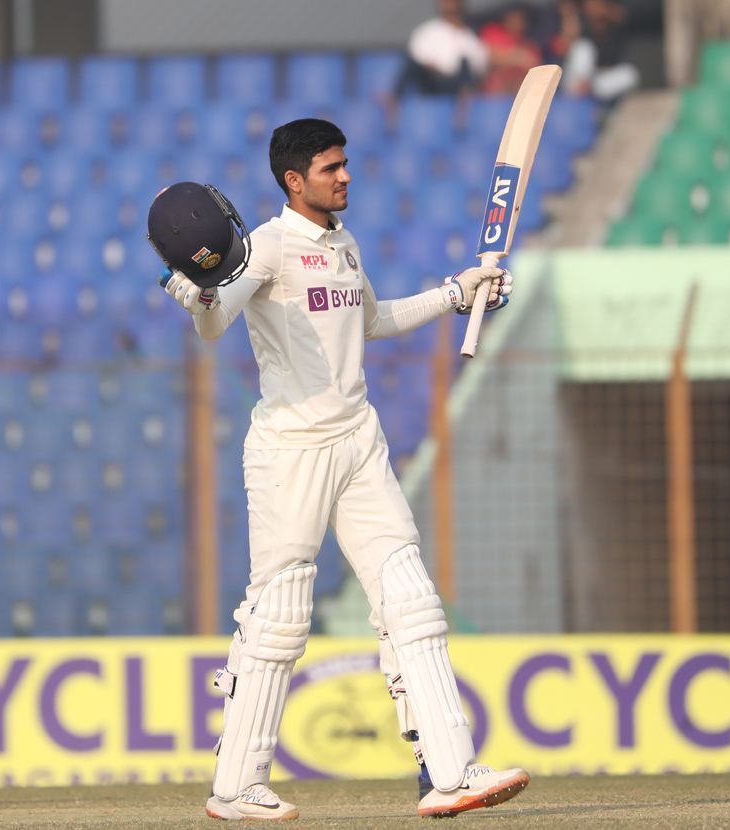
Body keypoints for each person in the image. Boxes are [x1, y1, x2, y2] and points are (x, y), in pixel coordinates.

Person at [156, 119, 528, 821]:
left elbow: (373, 320)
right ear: (295, 181)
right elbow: (216, 322)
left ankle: (450, 774)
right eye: (332, 168)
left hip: (359, 438)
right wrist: (201, 293)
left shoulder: (343, 245)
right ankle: (237, 787)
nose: (345, 176)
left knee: (409, 597)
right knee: (279, 617)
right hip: (292, 448)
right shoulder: (266, 247)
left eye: (346, 164)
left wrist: (458, 291)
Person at [392, 0, 487, 100]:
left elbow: (478, 67)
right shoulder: (428, 30)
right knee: (411, 63)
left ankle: (465, 102)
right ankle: (394, 99)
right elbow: (417, 56)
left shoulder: (470, 38)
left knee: (464, 63)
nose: (449, 4)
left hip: (456, 85)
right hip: (431, 82)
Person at [563, 0, 640, 102]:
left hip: (597, 82)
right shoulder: (582, 23)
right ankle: (580, 91)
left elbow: (624, 16)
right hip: (575, 84)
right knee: (584, 47)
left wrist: (606, 11)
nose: (596, 8)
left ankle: (586, 91)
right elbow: (567, 43)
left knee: (630, 74)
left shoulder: (615, 25)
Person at [479, 2, 543, 94]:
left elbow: (536, 69)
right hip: (491, 97)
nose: (517, 21)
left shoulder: (529, 45)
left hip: (518, 94)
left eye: (521, 18)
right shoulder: (492, 32)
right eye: (513, 17)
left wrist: (510, 58)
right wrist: (517, 58)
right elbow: (488, 57)